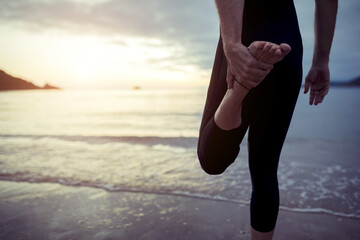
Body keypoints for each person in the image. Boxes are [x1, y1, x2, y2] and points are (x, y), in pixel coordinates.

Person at [197, 0, 338, 239]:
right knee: (265, 170)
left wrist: (231, 45)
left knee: (211, 159)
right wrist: (321, 60)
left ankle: (241, 86)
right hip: (288, 48)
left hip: (246, 40)